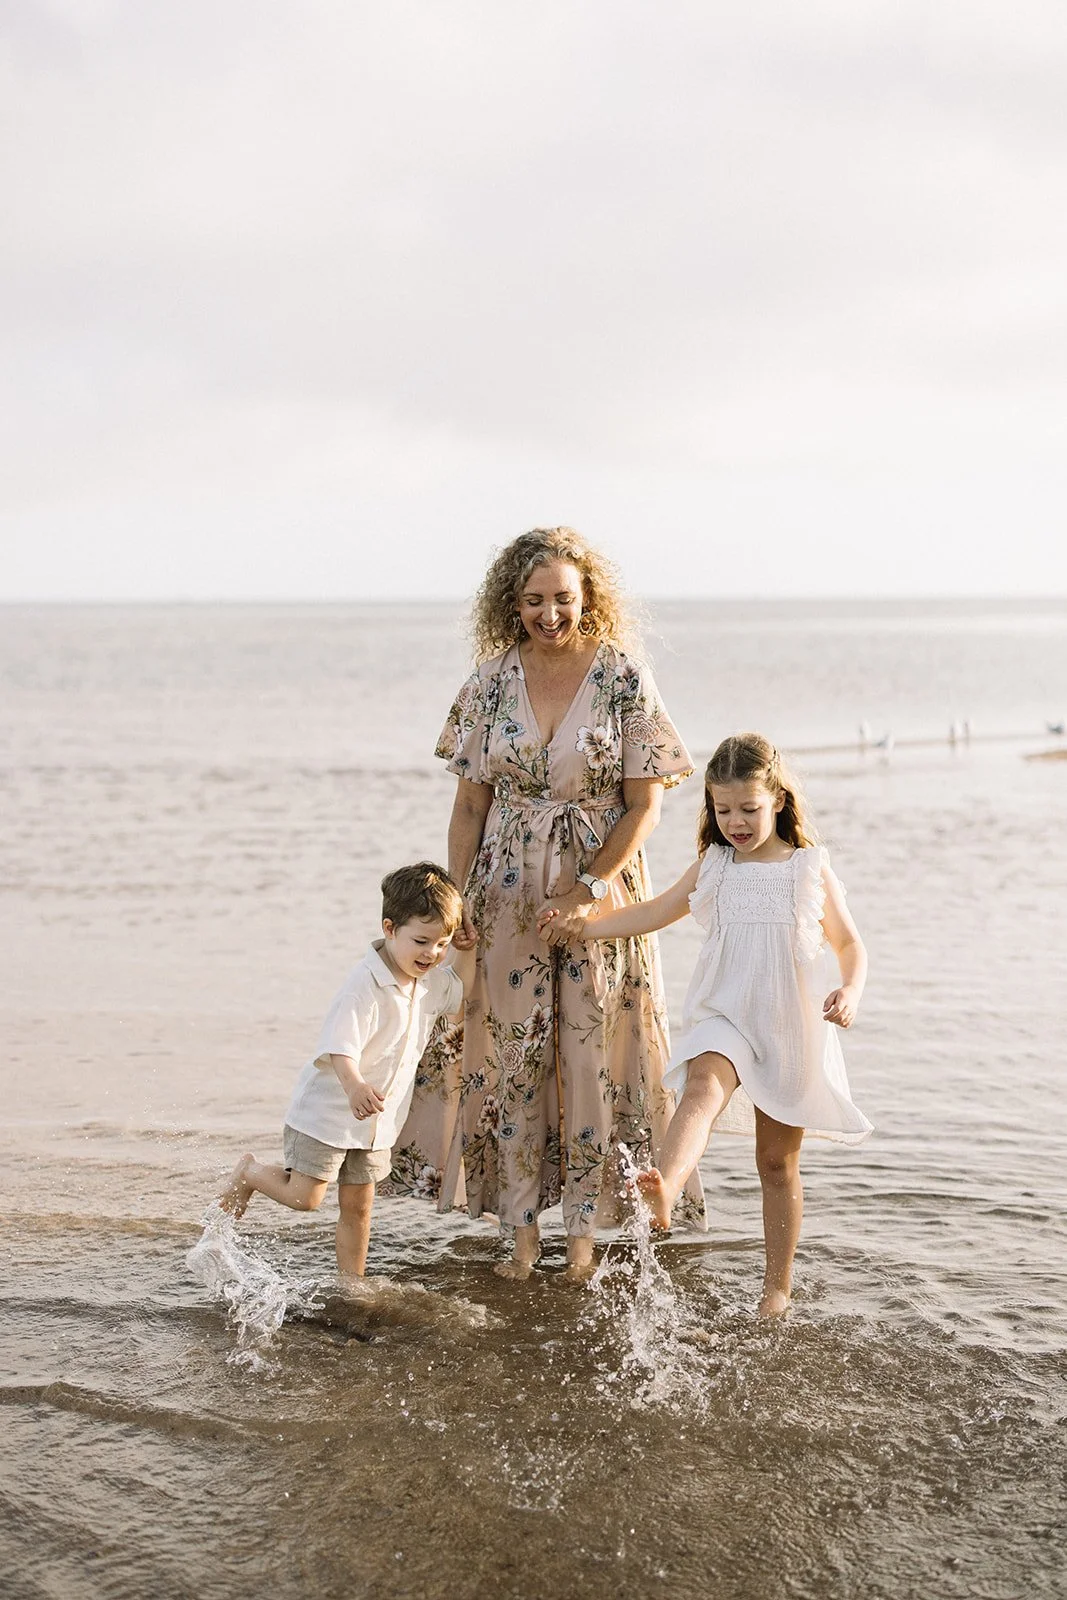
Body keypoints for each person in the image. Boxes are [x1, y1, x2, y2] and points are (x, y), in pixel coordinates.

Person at [390, 527, 703, 1282]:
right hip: (502, 894)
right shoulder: (489, 683)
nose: (549, 614)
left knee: (595, 1053)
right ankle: (523, 1237)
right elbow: (468, 808)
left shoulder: (625, 677)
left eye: (563, 598)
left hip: (601, 892)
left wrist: (587, 887)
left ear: (587, 595)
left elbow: (644, 807)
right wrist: (457, 904)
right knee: (513, 1055)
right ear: (513, 603)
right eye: (533, 601)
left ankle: (587, 1240)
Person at [541, 732, 871, 1316]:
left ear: (778, 800)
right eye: (723, 810)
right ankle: (665, 1184)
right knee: (701, 1087)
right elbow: (653, 912)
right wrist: (584, 926)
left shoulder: (807, 869)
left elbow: (850, 945)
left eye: (749, 809)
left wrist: (850, 989)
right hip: (726, 1015)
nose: (736, 822)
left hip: (790, 1029)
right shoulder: (715, 865)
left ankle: (776, 1290)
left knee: (776, 1163)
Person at [218, 863, 476, 1280]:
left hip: (377, 1122)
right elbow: (340, 1046)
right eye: (422, 941)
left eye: (441, 943)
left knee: (358, 1206)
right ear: (390, 929)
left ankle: (351, 1282)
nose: (432, 953)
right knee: (307, 1199)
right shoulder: (365, 984)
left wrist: (467, 949)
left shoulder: (426, 982)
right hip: (328, 1113)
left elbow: (461, 995)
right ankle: (248, 1172)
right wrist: (354, 1086)